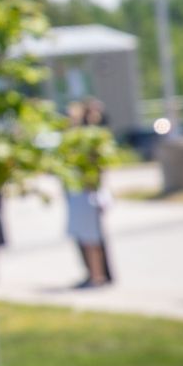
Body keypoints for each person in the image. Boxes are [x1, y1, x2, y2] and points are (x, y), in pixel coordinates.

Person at [63, 100, 115, 288]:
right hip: (80, 193)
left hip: (86, 192)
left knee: (91, 238)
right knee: (87, 238)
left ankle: (97, 275)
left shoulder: (88, 139)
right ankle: (95, 273)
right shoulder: (78, 139)